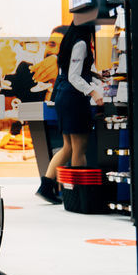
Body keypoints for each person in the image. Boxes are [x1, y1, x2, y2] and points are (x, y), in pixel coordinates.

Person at [37, 22, 103, 203]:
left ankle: (46, 186)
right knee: (79, 147)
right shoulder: (81, 44)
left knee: (68, 147)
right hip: (74, 99)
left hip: (65, 97)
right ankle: (77, 194)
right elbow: (74, 76)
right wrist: (93, 91)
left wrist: (95, 76)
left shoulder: (69, 41)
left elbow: (67, 72)